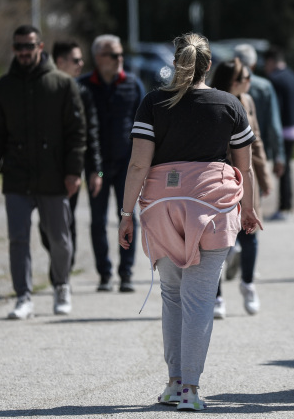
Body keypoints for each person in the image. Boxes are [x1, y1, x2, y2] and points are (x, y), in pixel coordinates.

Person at [118, 33, 262, 411]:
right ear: (208, 65)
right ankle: (190, 391)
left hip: (162, 209)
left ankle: (173, 382)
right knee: (199, 300)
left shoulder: (153, 103)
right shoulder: (229, 104)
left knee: (171, 296)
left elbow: (138, 164)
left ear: (177, 61)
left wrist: (125, 213)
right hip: (213, 209)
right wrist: (249, 209)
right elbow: (244, 167)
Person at [0, 25, 86, 319]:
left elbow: (77, 133)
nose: (24, 52)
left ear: (41, 47)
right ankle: (23, 297)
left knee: (59, 238)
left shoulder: (63, 84)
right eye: (19, 47)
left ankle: (62, 286)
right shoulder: (3, 88)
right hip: (16, 177)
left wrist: (73, 171)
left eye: (29, 46)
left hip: (54, 176)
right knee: (18, 239)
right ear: (14, 49)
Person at [79, 34, 146, 292]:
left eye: (121, 54)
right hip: (96, 166)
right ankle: (104, 274)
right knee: (97, 221)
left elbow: (143, 126)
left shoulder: (132, 84)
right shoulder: (84, 86)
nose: (120, 59)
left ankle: (126, 273)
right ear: (98, 58)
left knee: (128, 216)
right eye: (114, 55)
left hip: (127, 166)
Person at [210, 59, 271, 318]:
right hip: (220, 180)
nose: (249, 81)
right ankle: (217, 296)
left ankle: (247, 284)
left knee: (250, 234)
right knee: (217, 241)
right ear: (231, 81)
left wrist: (264, 176)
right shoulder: (213, 103)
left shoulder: (247, 101)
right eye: (244, 77)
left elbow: (255, 143)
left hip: (246, 177)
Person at [38, 41, 102, 273]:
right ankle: (59, 260)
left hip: (71, 169)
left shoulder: (83, 92)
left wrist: (97, 170)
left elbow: (91, 134)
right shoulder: (42, 88)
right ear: (60, 62)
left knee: (67, 219)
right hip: (44, 167)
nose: (81, 64)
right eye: (76, 60)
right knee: (45, 225)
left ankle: (62, 272)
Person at [234, 44, 283, 193]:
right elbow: (273, 125)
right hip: (257, 151)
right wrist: (279, 156)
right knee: (254, 199)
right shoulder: (265, 87)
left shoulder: (225, 85)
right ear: (254, 64)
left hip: (231, 155)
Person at [264, 47, 294, 222]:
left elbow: (275, 108)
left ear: (271, 61)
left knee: (282, 169)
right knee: (287, 168)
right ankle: (288, 206)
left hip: (283, 130)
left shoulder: (274, 79)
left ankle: (284, 207)